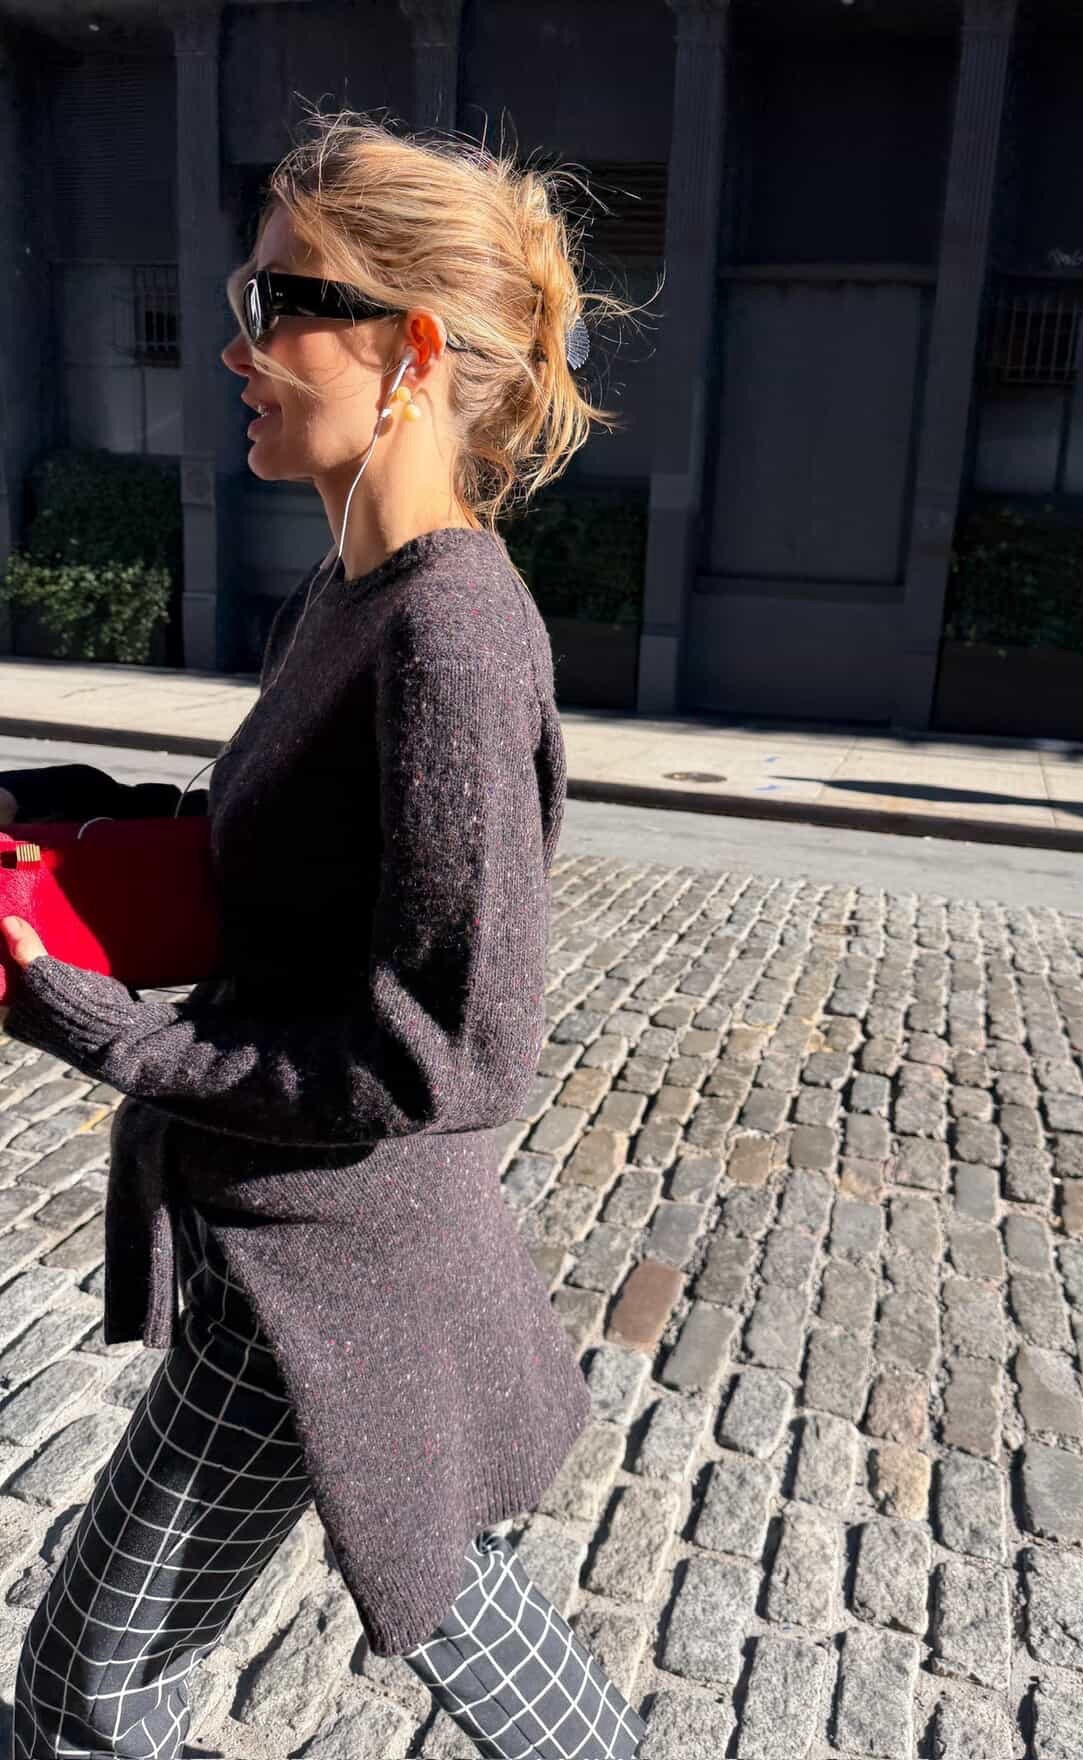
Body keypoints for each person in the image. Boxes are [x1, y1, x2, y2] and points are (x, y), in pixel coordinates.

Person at [0, 110, 647, 1760]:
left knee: (85, 1694)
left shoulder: (450, 632)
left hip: (327, 1275)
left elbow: (449, 1053)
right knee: (465, 1608)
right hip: (303, 1256)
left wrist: (98, 1024)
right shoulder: (358, 595)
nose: (239, 343)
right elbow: (263, 839)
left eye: (280, 301)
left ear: (410, 352)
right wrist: (47, 814)